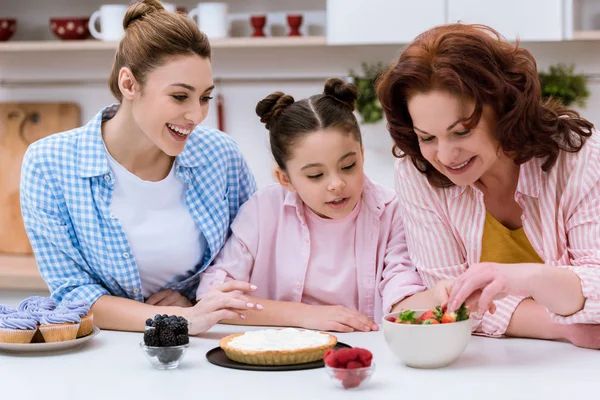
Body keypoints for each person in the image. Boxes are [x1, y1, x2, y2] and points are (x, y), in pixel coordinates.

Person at [19, 0, 259, 335]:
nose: (196, 115)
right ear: (129, 85)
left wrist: (197, 299)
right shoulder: (48, 164)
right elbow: (72, 294)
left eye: (204, 97)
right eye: (179, 97)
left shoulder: (222, 156)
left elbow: (252, 254)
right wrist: (176, 320)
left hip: (205, 343)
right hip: (103, 351)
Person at [376, 23, 600, 348]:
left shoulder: (577, 156)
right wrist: (564, 325)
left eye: (462, 131)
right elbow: (456, 301)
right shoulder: (417, 172)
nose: (446, 155)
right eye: (427, 137)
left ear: (505, 108)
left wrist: (527, 278)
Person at [196, 78, 424, 332]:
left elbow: (401, 282)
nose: (336, 184)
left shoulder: (391, 211)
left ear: (361, 153)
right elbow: (213, 296)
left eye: (348, 166)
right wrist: (303, 315)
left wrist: (424, 303)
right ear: (285, 178)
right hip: (278, 357)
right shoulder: (264, 210)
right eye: (316, 175)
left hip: (361, 354)